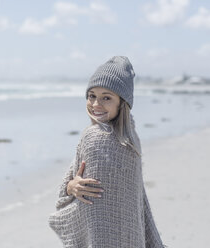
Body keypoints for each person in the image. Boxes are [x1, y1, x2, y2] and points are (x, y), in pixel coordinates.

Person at [48, 56, 165, 247]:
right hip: (129, 237)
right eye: (92, 95)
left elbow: (128, 198)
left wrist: (69, 189)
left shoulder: (95, 137)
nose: (95, 104)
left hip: (101, 236)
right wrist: (72, 186)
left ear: (122, 103)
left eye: (106, 98)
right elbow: (75, 183)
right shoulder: (131, 137)